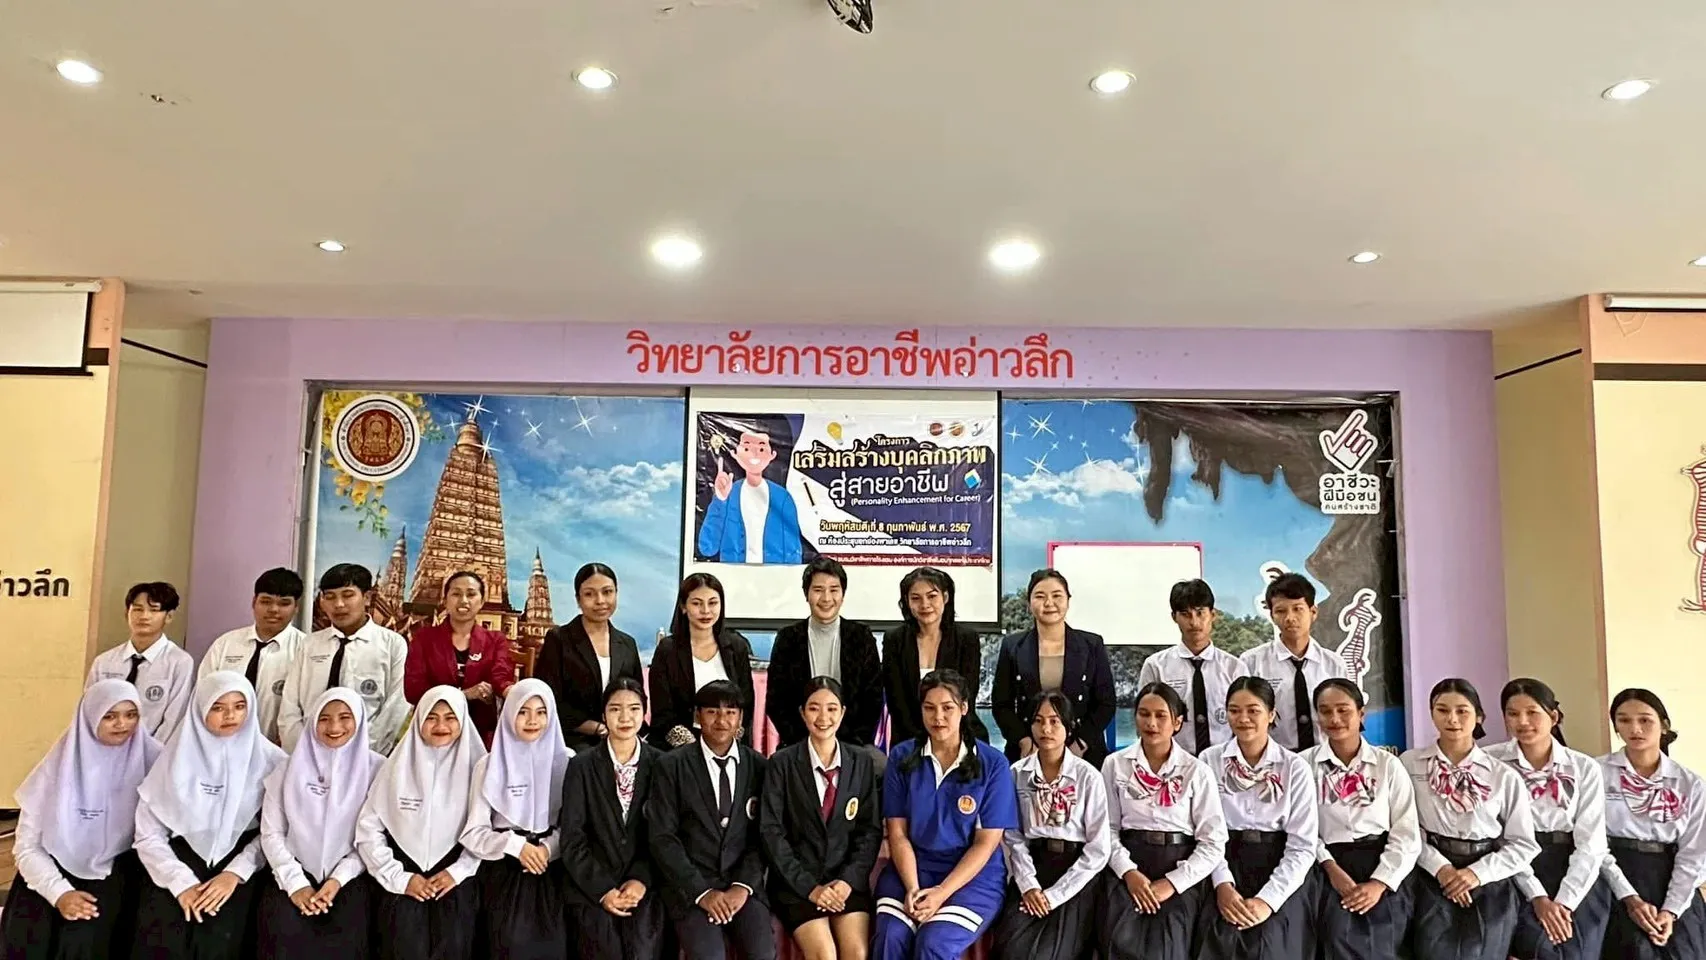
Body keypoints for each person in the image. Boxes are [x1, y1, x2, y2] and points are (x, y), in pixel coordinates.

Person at [131, 673, 288, 960]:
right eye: (218, 707)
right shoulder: (174, 758)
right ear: (200, 708)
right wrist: (181, 882)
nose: (230, 715)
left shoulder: (273, 762)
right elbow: (147, 834)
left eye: (239, 706)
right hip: (174, 865)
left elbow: (276, 831)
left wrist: (234, 873)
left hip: (241, 869)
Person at [2, 680, 161, 960]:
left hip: (121, 883)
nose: (122, 724)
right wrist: (59, 893)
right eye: (109, 716)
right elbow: (27, 847)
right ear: (89, 718)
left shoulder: (156, 762)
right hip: (49, 881)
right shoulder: (58, 768)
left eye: (131, 714)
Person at [872, 669, 1016, 960]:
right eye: (929, 708)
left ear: (964, 708)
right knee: (890, 937)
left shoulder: (993, 764)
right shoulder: (901, 757)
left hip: (973, 878)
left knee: (933, 943)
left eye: (947, 708)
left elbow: (986, 844)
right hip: (911, 869)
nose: (938, 717)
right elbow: (897, 834)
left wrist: (940, 892)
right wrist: (913, 888)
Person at [1399, 678, 1540, 960]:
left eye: (1462, 711)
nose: (1452, 719)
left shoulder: (1502, 775)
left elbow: (1523, 844)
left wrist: (1476, 874)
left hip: (1489, 877)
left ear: (1479, 717)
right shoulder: (1410, 763)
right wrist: (1442, 869)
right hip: (1430, 873)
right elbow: (1405, 829)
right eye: (1442, 710)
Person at [646, 680, 776, 960]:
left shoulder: (759, 767)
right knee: (709, 956)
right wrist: (702, 892)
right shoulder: (671, 766)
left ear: (741, 718)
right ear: (697, 716)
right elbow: (663, 838)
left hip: (742, 886)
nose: (722, 720)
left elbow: (765, 835)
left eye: (730, 712)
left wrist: (742, 886)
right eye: (712, 712)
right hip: (690, 888)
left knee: (763, 953)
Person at [1099, 682, 1228, 960]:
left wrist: (1172, 883)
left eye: (1161, 716)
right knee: (1118, 939)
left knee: (1168, 947)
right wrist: (1128, 873)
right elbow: (1106, 829)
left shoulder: (1197, 771)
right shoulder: (1115, 764)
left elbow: (1213, 843)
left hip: (1179, 866)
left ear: (1177, 722)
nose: (1151, 723)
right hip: (1128, 864)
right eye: (1144, 714)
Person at [355, 686, 485, 960]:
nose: (440, 726)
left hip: (456, 881)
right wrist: (398, 877)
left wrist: (459, 871)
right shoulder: (395, 768)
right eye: (431, 717)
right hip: (402, 881)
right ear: (418, 720)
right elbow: (368, 830)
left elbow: (488, 831)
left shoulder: (479, 769)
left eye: (450, 717)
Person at [1487, 678, 1611, 960]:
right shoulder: (1490, 763)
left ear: (1553, 717)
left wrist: (1564, 903)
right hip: (1512, 869)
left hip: (1574, 872)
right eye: (1513, 713)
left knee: (1574, 948)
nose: (1522, 722)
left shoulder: (1583, 767)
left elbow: (1591, 844)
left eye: (1532, 712)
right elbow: (1500, 837)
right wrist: (1537, 897)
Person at [1196, 677, 1319, 960]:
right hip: (1223, 862)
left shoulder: (1294, 767)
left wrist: (1267, 901)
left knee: (1274, 947)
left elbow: (1302, 846)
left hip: (1279, 866)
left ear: (1271, 714)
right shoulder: (1209, 761)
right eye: (1234, 710)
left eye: (1253, 710)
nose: (1243, 719)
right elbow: (1206, 834)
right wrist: (1223, 885)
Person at [256, 688, 383, 960]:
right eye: (324, 718)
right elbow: (272, 833)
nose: (334, 727)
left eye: (345, 717)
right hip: (290, 874)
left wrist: (338, 879)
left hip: (352, 877)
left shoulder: (378, 770)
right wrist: (296, 883)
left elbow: (372, 836)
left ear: (360, 719)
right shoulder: (286, 769)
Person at [761, 677, 883, 960]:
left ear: (843, 712)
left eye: (831, 708)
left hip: (846, 883)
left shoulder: (861, 762)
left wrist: (847, 882)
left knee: (857, 952)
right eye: (814, 708)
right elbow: (771, 833)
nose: (823, 717)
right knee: (824, 954)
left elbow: (869, 831)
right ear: (802, 713)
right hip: (797, 885)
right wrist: (810, 888)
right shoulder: (781, 763)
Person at [991, 691, 1111, 960]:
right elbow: (1013, 836)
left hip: (1075, 872)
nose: (1046, 729)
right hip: (1032, 867)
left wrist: (1055, 895)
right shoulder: (1017, 773)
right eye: (1038, 721)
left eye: (1055, 721)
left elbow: (1099, 849)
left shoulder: (1088, 776)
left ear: (1069, 727)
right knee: (1010, 948)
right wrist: (1029, 885)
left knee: (1052, 953)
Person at [1306, 677, 1420, 960]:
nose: (1334, 719)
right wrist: (1331, 869)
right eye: (1325, 711)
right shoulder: (1304, 765)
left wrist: (1379, 883)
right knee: (1335, 937)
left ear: (1361, 714)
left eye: (1343, 710)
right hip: (1325, 865)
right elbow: (1302, 829)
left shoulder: (1388, 765)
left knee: (1383, 944)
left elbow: (1406, 833)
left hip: (1381, 862)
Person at [459, 678, 570, 960]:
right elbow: (473, 834)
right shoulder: (488, 764)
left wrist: (548, 848)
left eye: (541, 712)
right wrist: (516, 846)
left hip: (552, 871)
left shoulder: (568, 761)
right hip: (505, 873)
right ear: (508, 714)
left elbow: (575, 826)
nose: (532, 720)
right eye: (523, 711)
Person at [560, 679, 667, 960]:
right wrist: (603, 889)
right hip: (592, 886)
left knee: (642, 949)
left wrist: (641, 880)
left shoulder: (663, 764)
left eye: (634, 708)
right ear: (603, 714)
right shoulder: (581, 765)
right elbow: (572, 838)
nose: (625, 717)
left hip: (646, 886)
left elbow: (666, 835)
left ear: (644, 712)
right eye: (615, 709)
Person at [1599, 688, 1706, 959]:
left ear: (1664, 725)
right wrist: (1630, 898)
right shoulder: (1596, 773)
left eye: (1645, 720)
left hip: (1672, 877)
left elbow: (1694, 853)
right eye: (1624, 720)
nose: (1635, 729)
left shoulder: (1689, 783)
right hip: (1613, 875)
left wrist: (1671, 910)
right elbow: (1592, 843)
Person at [277, 564, 410, 754]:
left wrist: (362, 754)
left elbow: (395, 708)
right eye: (330, 597)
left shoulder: (393, 644)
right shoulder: (310, 644)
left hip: (367, 756)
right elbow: (290, 706)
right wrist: (303, 751)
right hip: (307, 752)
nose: (338, 604)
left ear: (367, 597)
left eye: (347, 595)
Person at [992, 569, 1116, 768]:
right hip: (1028, 752)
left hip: (1083, 753)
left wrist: (1080, 744)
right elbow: (1001, 704)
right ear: (1029, 603)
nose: (1049, 603)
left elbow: (1106, 703)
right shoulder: (1013, 646)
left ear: (1068, 600)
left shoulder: (1091, 644)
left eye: (1057, 596)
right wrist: (1024, 741)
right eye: (1040, 596)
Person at [767, 558, 885, 756]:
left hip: (852, 744)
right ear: (806, 594)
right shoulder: (788, 639)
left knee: (878, 764)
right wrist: (806, 743)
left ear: (843, 594)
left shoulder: (861, 637)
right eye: (818, 590)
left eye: (834, 590)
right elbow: (777, 700)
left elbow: (872, 700)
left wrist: (847, 744)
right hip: (799, 743)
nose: (826, 598)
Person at [534, 562, 644, 753]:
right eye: (589, 594)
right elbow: (548, 698)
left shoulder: (627, 643)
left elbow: (637, 696)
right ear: (578, 599)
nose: (600, 601)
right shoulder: (559, 639)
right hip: (573, 737)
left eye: (607, 592)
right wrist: (597, 728)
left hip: (620, 735)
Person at [403, 570, 516, 747]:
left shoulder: (495, 640)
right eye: (456, 594)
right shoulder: (424, 638)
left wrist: (511, 691)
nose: (463, 600)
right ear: (445, 600)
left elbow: (500, 676)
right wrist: (464, 695)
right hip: (434, 730)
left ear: (482, 601)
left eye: (471, 594)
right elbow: (413, 690)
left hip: (479, 733)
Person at [1238, 573, 1348, 752]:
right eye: (1281, 611)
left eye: (1298, 609)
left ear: (1313, 612)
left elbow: (1346, 717)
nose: (1290, 617)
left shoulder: (1334, 665)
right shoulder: (1251, 663)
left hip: (1324, 757)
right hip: (1275, 760)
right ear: (1272, 615)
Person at [1137, 579, 1248, 756]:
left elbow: (1246, 720)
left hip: (1223, 760)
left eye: (1200, 613)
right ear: (1174, 617)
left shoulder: (1234, 668)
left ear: (1213, 614)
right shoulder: (1156, 666)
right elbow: (1144, 720)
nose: (1194, 622)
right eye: (1185, 614)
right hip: (1175, 761)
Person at [648, 573, 758, 749]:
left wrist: (726, 743)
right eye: (697, 603)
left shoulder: (737, 646)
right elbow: (663, 712)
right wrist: (695, 751)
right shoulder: (667, 650)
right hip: (680, 750)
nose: (706, 611)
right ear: (683, 607)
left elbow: (746, 705)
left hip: (728, 745)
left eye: (712, 603)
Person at [881, 567, 988, 745]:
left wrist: (942, 738)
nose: (925, 605)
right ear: (907, 601)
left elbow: (966, 694)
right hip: (909, 738)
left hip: (959, 734)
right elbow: (896, 700)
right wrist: (922, 742)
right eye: (916, 598)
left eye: (932, 596)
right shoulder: (895, 639)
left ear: (945, 597)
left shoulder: (966, 639)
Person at [200, 568, 307, 744]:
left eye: (284, 603)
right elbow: (202, 696)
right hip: (220, 744)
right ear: (253, 602)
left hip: (278, 751)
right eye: (266, 601)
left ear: (296, 607)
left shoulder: (305, 649)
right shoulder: (225, 644)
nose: (273, 609)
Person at [86, 581, 195, 744]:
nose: (144, 616)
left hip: (154, 752)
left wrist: (148, 752)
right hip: (106, 749)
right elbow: (89, 711)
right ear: (127, 613)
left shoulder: (179, 662)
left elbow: (175, 719)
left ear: (169, 616)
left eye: (154, 610)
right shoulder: (104, 662)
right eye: (137, 609)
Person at [696, 427, 803, 564]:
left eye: (761, 449)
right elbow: (707, 548)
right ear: (735, 454)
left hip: (773, 576)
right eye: (746, 449)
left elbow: (793, 552)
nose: (754, 454)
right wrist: (720, 500)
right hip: (732, 575)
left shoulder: (782, 498)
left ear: (772, 455)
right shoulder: (729, 494)